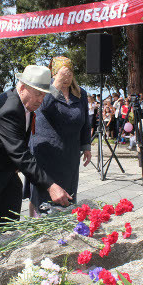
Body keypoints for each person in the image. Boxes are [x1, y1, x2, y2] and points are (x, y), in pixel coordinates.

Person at [0, 65, 72, 249]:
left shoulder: (24, 103)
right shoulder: (9, 108)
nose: (41, 100)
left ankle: (5, 246)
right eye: (37, 94)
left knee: (12, 196)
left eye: (44, 95)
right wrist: (50, 185)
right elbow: (20, 154)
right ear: (23, 86)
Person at [25, 56, 91, 216]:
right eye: (62, 75)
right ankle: (38, 226)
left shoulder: (80, 94)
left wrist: (86, 146)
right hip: (46, 154)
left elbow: (85, 121)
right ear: (54, 73)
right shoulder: (45, 89)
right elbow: (44, 106)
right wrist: (57, 84)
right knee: (44, 198)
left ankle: (65, 227)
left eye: (69, 75)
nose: (66, 79)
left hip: (69, 154)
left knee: (67, 195)